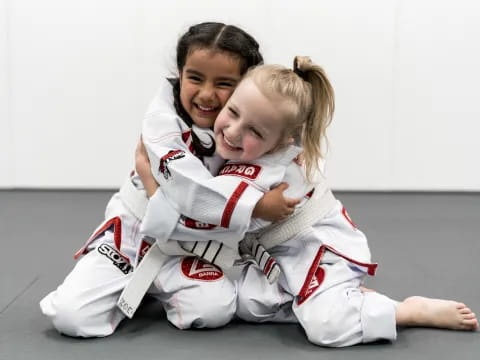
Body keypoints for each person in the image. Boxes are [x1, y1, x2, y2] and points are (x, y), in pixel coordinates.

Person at [136, 56, 479, 347]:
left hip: (318, 254)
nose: (234, 131)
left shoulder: (266, 176)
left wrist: (150, 179)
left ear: (285, 138)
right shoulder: (252, 153)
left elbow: (200, 214)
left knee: (324, 327)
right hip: (280, 256)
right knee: (242, 303)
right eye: (233, 111)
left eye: (255, 131)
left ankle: (404, 311)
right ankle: (347, 300)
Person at [39, 22, 295, 338]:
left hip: (194, 249)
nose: (206, 94)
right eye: (195, 78)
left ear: (247, 84)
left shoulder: (253, 128)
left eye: (224, 83)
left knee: (213, 310)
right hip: (134, 236)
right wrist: (255, 206)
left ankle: (155, 284)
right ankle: (128, 277)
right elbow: (194, 196)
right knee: (71, 317)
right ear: (180, 72)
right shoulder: (162, 124)